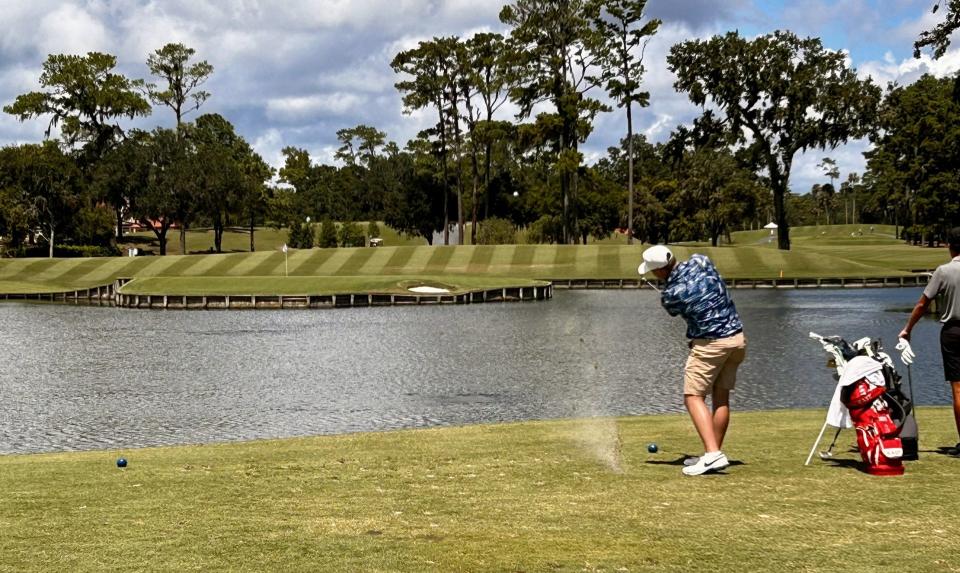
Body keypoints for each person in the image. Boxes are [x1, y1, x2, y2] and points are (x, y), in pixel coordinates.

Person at [639, 245, 747, 476]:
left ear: (659, 271)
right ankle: (714, 452)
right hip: (737, 339)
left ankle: (712, 454)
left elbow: (673, 307)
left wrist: (668, 289)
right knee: (721, 397)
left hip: (710, 345)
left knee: (693, 396)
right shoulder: (701, 261)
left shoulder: (671, 294)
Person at [899, 227, 960, 455]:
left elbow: (923, 304)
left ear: (949, 246)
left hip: (953, 332)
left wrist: (908, 329)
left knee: (958, 389)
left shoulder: (943, 271)